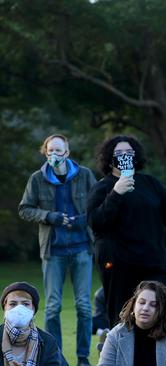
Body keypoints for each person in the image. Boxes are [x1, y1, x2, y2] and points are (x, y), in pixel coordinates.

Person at [87, 135, 166, 327]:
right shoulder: (102, 187)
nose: (124, 156)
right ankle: (117, 352)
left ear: (136, 156)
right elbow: (97, 222)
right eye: (119, 153)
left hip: (152, 261)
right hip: (119, 265)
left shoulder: (149, 183)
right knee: (122, 316)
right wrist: (116, 193)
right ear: (109, 158)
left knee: (159, 313)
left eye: (129, 152)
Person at [17, 134, 96, 366]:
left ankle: (83, 358)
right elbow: (25, 209)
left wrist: (82, 220)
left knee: (83, 304)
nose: (54, 155)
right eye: (50, 151)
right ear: (45, 152)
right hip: (53, 251)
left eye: (58, 151)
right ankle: (56, 357)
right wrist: (50, 216)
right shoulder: (37, 179)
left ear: (67, 153)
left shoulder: (85, 175)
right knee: (53, 307)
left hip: (82, 248)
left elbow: (99, 203)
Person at [98, 281, 166, 365]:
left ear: (162, 310)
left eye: (153, 305)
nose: (145, 308)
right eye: (142, 302)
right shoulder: (116, 335)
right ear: (133, 306)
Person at [1, 282, 66, 366]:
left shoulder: (48, 341)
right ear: (5, 308)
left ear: (33, 309)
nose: (19, 309)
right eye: (13, 304)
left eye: (26, 304)